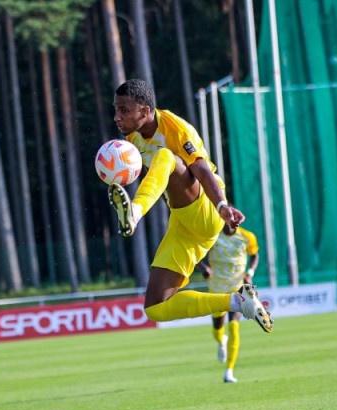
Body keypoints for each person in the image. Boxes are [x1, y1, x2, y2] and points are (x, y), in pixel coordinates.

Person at [108, 79, 272, 333]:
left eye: (124, 110)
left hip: (206, 209)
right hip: (183, 222)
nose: (117, 117)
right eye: (116, 109)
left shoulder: (175, 128)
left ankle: (134, 212)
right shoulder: (131, 134)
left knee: (166, 156)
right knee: (156, 307)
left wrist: (222, 206)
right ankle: (238, 302)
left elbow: (203, 171)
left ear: (146, 111)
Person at [199, 223, 260, 383]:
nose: (230, 222)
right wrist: (203, 267)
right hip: (217, 289)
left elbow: (254, 255)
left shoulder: (247, 236)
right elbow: (196, 254)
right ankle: (221, 341)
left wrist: (250, 273)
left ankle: (229, 371)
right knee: (217, 329)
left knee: (234, 326)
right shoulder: (212, 236)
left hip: (237, 288)